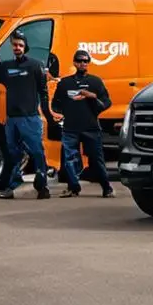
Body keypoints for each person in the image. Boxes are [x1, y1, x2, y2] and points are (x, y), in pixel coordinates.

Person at [0, 30, 57, 200]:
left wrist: (48, 115)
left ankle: (42, 187)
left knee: (37, 152)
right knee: (13, 153)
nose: (17, 48)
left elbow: (43, 92)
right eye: (15, 45)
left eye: (20, 45)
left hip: (30, 118)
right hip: (12, 119)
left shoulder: (35, 65)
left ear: (25, 47)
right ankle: (11, 187)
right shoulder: (6, 67)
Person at [51, 49, 115, 198]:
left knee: (97, 159)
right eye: (79, 61)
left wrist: (95, 102)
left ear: (89, 63)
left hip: (90, 127)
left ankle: (107, 187)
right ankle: (73, 187)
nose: (82, 63)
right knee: (69, 160)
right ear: (74, 62)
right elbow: (55, 103)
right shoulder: (65, 83)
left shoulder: (95, 82)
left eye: (85, 61)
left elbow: (107, 102)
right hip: (70, 128)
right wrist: (60, 113)